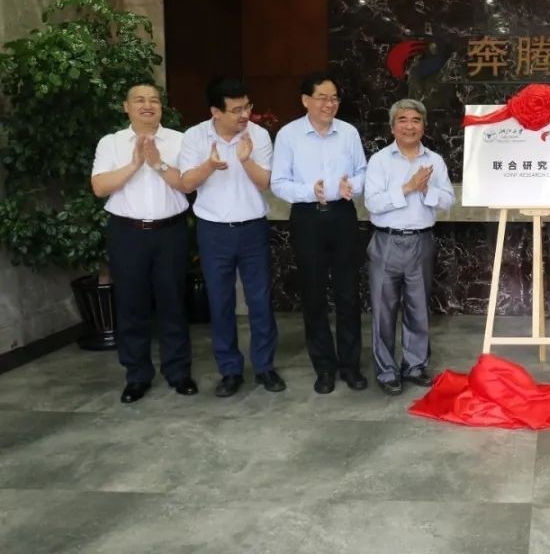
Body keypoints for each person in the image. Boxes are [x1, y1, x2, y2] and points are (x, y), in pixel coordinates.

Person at [180, 77, 283, 397]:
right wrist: (210, 165)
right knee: (220, 301)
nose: (244, 115)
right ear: (216, 111)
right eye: (236, 110)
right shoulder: (195, 136)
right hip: (213, 231)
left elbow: (265, 182)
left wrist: (245, 159)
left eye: (247, 107)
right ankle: (230, 370)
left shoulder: (258, 134)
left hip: (253, 228)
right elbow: (186, 183)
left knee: (260, 300)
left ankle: (264, 366)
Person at [91, 83, 194, 404]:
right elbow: (99, 186)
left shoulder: (180, 140)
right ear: (127, 107)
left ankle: (178, 372)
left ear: (162, 107)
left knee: (173, 302)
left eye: (154, 100)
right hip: (128, 233)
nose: (147, 105)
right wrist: (136, 163)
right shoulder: (111, 143)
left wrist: (158, 163)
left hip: (170, 232)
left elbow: (189, 185)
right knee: (131, 304)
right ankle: (136, 375)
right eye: (139, 100)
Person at [271, 72, 368, 394]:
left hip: (342, 215)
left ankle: (350, 366)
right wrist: (310, 192)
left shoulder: (348, 133)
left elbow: (362, 171)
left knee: (348, 293)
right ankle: (324, 367)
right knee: (313, 295)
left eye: (334, 98)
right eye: (323, 98)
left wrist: (352, 186)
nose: (330, 104)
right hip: (307, 218)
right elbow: (279, 183)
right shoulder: (289, 135)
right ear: (305, 101)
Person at [364, 99, 454, 395]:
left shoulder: (435, 161)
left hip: (421, 242)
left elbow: (448, 201)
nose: (409, 126)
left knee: (418, 307)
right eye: (402, 120)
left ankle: (414, 365)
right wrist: (408, 187)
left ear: (423, 126)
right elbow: (372, 203)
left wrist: (426, 189)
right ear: (392, 127)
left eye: (415, 120)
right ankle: (386, 370)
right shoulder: (379, 161)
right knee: (383, 309)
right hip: (386, 241)